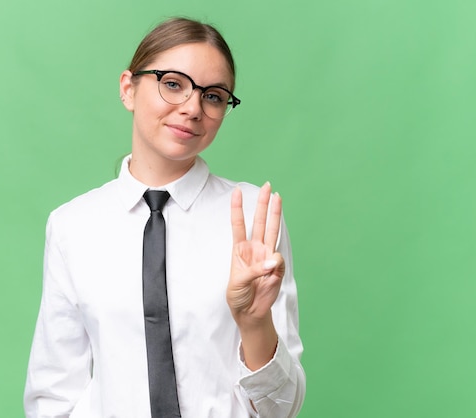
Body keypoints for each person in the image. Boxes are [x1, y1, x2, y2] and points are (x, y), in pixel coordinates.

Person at [24, 17, 305, 417]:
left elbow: (283, 409)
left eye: (213, 96)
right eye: (173, 83)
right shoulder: (72, 226)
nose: (192, 108)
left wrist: (255, 323)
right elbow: (52, 396)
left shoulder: (251, 218)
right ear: (128, 88)